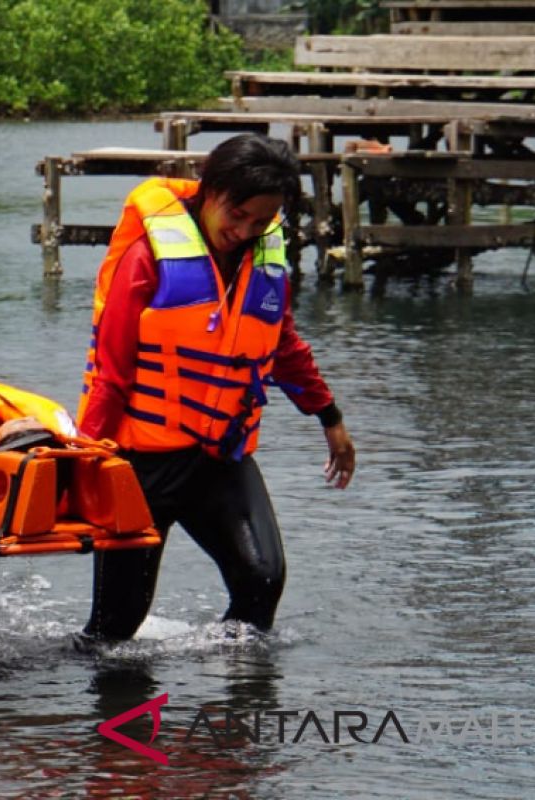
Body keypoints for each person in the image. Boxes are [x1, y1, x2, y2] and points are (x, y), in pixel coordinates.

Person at [76, 133, 356, 643]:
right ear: (209, 190)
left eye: (261, 221)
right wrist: (82, 461)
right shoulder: (146, 258)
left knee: (262, 582)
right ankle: (110, 718)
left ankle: (234, 714)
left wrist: (329, 417)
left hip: (220, 459)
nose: (245, 230)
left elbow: (283, 346)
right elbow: (111, 373)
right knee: (115, 631)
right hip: (144, 465)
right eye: (237, 214)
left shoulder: (263, 261)